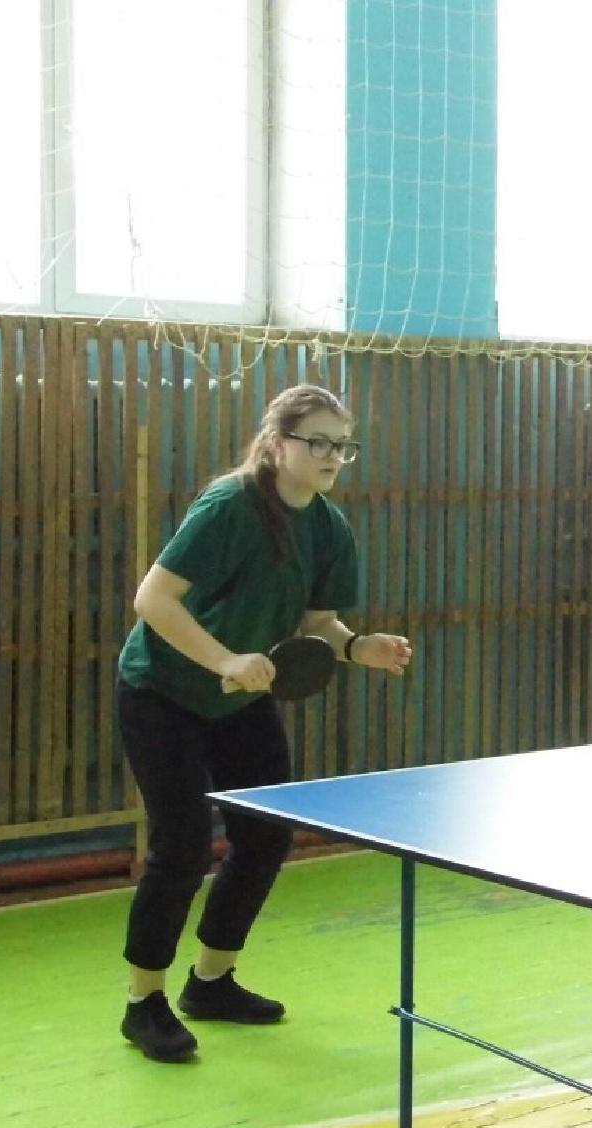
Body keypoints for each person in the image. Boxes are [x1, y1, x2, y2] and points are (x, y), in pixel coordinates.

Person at [115, 383, 413, 1063]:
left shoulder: (329, 528)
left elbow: (318, 625)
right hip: (162, 690)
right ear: (278, 444)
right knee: (183, 846)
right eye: (319, 442)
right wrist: (225, 658)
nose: (333, 455)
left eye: (343, 445)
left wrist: (357, 647)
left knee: (265, 833)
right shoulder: (229, 507)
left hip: (241, 696)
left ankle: (211, 983)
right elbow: (152, 600)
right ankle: (143, 1003)